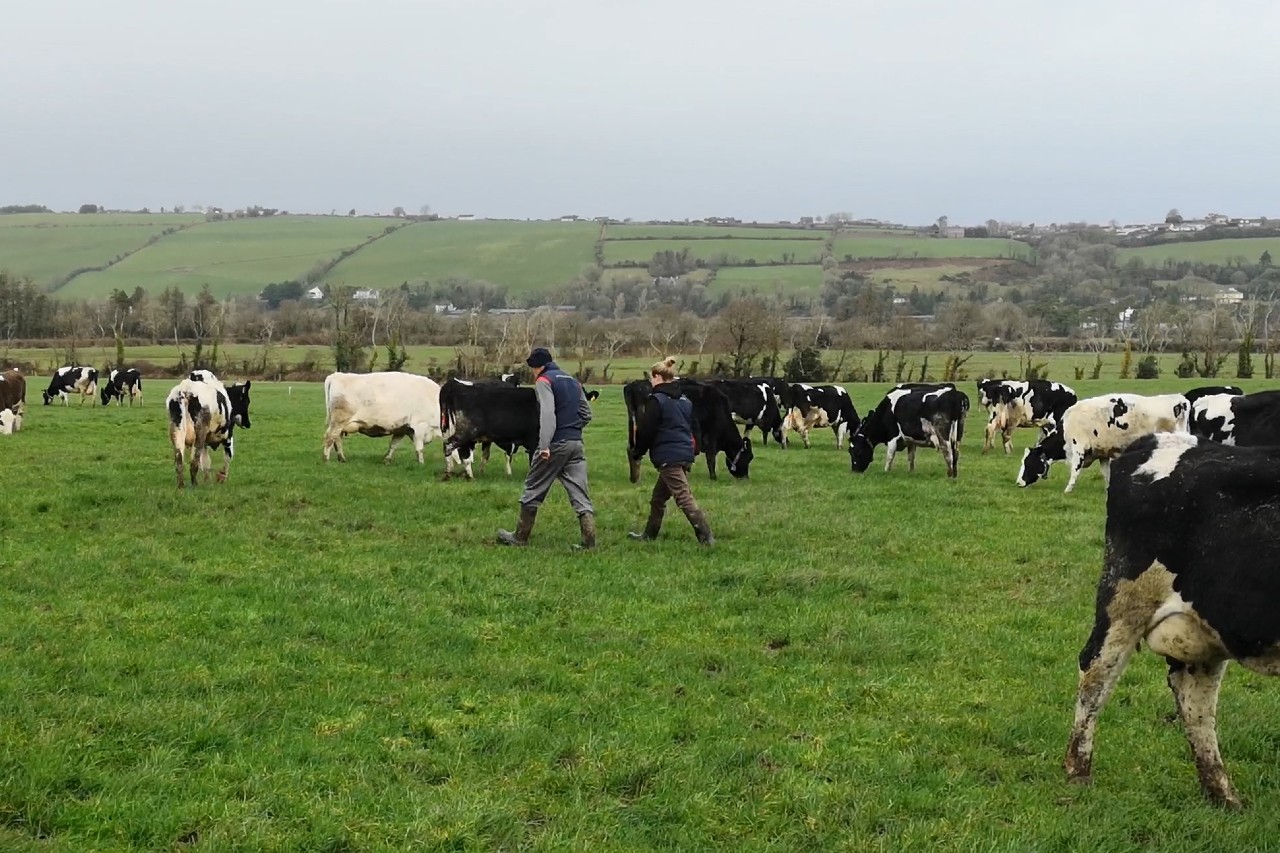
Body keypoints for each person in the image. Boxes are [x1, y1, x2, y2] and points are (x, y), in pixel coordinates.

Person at [497, 347, 596, 549]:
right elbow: (587, 414)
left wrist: (544, 446)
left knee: (533, 488)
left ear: (537, 366)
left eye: (532, 367)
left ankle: (519, 537)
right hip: (576, 444)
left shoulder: (544, 381)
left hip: (555, 444)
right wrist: (573, 431)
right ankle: (589, 542)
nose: (532, 371)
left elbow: (548, 414)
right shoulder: (573, 381)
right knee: (580, 494)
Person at [628, 357, 714, 545]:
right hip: (684, 452)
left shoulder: (656, 401)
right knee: (658, 498)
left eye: (652, 377)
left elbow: (647, 430)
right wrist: (695, 449)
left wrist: (638, 452)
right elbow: (695, 427)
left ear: (657, 377)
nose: (651, 381)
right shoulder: (685, 400)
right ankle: (649, 535)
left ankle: (706, 536)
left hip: (669, 455)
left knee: (683, 497)